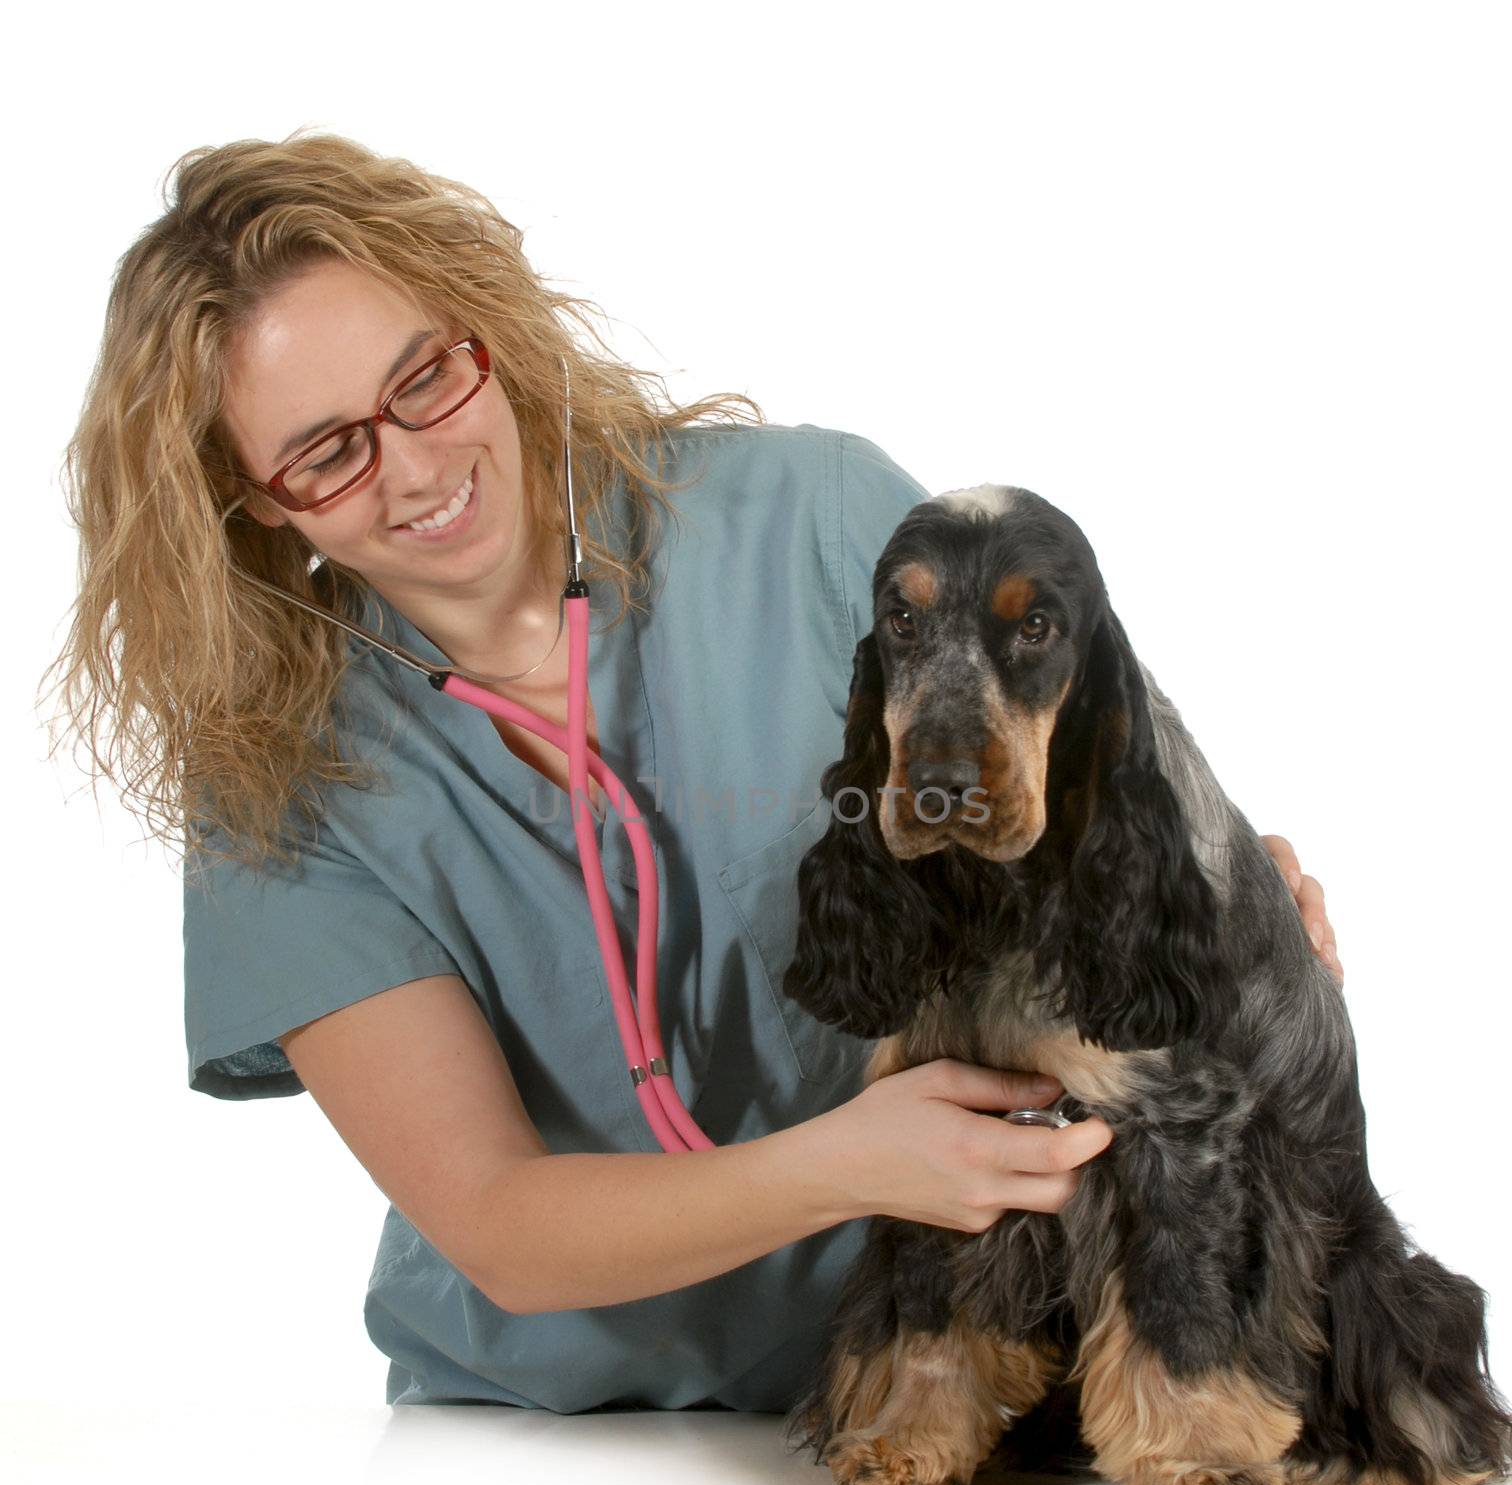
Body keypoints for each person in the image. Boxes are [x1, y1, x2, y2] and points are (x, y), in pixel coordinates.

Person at [54, 133, 1341, 1414]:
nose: (417, 466)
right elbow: (496, 1219)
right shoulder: (271, 773)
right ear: (252, 499)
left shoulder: (819, 519)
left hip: (969, 1387)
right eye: (326, 451)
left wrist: (1231, 899)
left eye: (426, 380)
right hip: (549, 1443)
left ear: (482, 330)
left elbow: (1102, 775)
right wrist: (848, 1165)